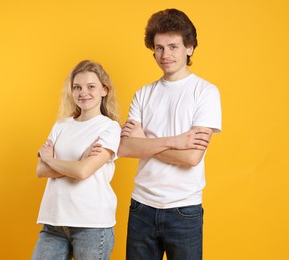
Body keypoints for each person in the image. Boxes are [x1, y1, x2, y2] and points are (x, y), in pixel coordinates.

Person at [118, 9, 222, 260]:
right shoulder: (143, 94)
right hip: (141, 207)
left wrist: (145, 141)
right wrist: (175, 142)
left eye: (173, 46)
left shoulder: (205, 92)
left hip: (184, 209)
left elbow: (191, 158)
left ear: (190, 48)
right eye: (159, 48)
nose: (165, 55)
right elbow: (124, 149)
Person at [32, 60, 121, 260]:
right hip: (54, 222)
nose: (83, 93)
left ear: (104, 90)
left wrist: (52, 160)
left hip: (91, 224)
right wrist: (79, 161)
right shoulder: (61, 125)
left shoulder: (110, 128)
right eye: (77, 87)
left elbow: (83, 172)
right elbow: (40, 170)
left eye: (91, 87)